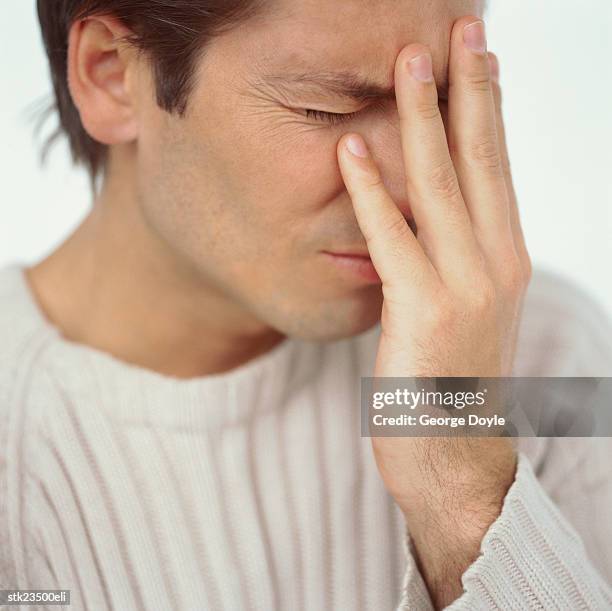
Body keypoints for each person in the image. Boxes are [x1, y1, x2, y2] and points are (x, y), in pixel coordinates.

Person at [1, 0, 611, 609]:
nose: (410, 186)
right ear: (110, 72)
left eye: (441, 100)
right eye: (327, 108)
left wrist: (465, 483)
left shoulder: (549, 355)